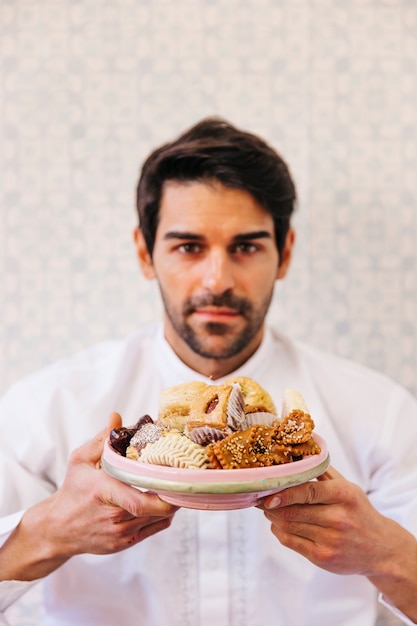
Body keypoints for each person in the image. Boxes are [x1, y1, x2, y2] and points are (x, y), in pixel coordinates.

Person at [0, 117, 416, 626]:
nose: (217, 279)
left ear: (283, 253)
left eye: (245, 247)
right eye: (189, 247)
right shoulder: (44, 409)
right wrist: (46, 534)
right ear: (144, 252)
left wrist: (389, 554)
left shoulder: (382, 412)